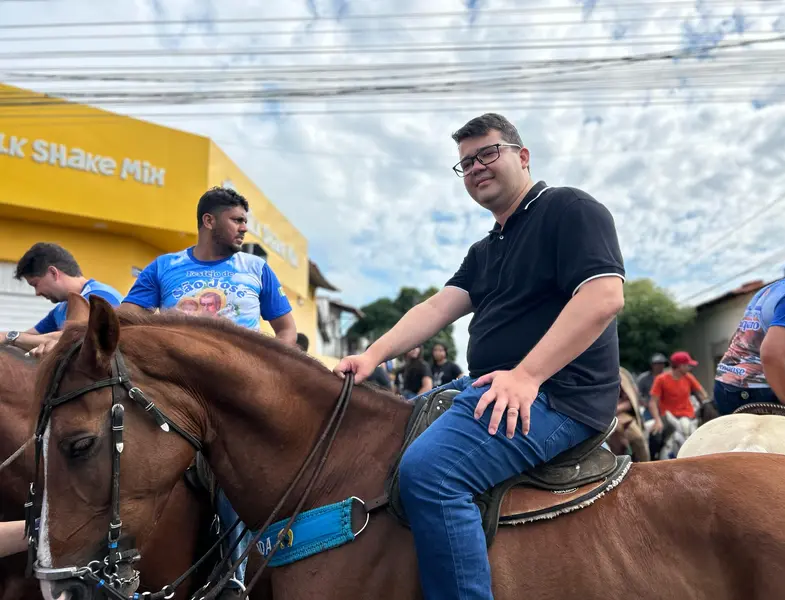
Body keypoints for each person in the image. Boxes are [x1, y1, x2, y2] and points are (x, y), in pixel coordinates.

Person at [334, 113, 625, 599]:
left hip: (560, 396)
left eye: (487, 153)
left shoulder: (569, 208)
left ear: (522, 155)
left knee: (431, 472)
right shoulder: (488, 247)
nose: (475, 168)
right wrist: (373, 355)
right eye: (465, 163)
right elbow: (436, 308)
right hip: (493, 383)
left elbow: (603, 298)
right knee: (384, 433)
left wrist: (527, 376)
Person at [121, 186, 297, 598]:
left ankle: (234, 574)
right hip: (173, 400)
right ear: (209, 220)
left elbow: (286, 328)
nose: (243, 228)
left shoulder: (256, 269)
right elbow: (124, 317)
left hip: (236, 402)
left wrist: (271, 367)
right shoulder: (163, 268)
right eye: (237, 220)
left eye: (244, 221)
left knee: (235, 472)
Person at [0, 242, 122, 354]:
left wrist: (10, 337)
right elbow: (27, 337)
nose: (37, 293)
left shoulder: (99, 298)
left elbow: (73, 340)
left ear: (53, 273)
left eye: (35, 284)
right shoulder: (61, 309)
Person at [713, 277, 785, 415]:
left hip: (725, 385)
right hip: (763, 390)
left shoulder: (769, 290)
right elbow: (773, 354)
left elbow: (737, 340)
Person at [648, 351, 708, 455]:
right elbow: (653, 402)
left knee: (704, 436)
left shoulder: (688, 377)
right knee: (655, 437)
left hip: (689, 416)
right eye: (688, 365)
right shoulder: (661, 379)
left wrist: (703, 405)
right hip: (668, 417)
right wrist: (657, 420)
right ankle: (653, 459)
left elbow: (703, 394)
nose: (690, 367)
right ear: (680, 366)